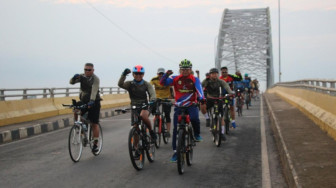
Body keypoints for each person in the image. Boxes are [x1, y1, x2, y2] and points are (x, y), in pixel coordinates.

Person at [160, 59, 205, 162]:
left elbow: (199, 89)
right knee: (176, 129)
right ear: (180, 69)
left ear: (190, 69)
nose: (184, 71)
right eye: (183, 69)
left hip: (191, 104)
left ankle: (197, 134)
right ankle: (176, 152)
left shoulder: (194, 79)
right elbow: (163, 83)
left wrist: (202, 98)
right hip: (179, 106)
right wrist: (166, 74)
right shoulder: (175, 78)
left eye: (187, 69)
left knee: (194, 118)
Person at [118, 65, 157, 141]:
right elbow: (120, 84)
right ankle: (136, 148)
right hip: (134, 106)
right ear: (133, 74)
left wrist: (152, 100)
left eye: (140, 74)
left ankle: (151, 131)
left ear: (143, 74)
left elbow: (152, 93)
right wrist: (124, 75)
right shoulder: (130, 84)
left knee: (143, 116)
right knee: (135, 126)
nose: (138, 75)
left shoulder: (146, 84)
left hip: (144, 105)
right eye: (136, 73)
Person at [70, 62, 101, 153]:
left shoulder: (96, 79)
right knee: (76, 109)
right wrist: (74, 78)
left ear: (93, 70)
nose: (87, 71)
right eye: (85, 69)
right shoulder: (81, 76)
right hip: (83, 100)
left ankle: (95, 144)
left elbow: (94, 90)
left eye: (89, 70)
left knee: (94, 123)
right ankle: (79, 127)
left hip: (94, 101)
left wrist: (92, 100)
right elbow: (71, 83)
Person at [201, 68, 234, 139]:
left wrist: (231, 93)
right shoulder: (206, 81)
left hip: (219, 99)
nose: (214, 75)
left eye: (216, 73)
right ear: (210, 75)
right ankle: (207, 118)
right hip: (209, 98)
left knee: (221, 116)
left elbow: (227, 87)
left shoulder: (221, 81)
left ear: (218, 74)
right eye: (212, 73)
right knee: (202, 106)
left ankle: (222, 132)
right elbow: (200, 87)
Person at [150, 68, 173, 137]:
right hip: (157, 98)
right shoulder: (154, 79)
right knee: (153, 108)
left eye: (162, 74)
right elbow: (149, 86)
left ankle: (168, 131)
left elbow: (172, 88)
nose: (161, 75)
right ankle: (156, 118)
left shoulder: (168, 79)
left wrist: (172, 97)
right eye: (160, 74)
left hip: (166, 98)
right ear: (157, 74)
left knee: (167, 114)